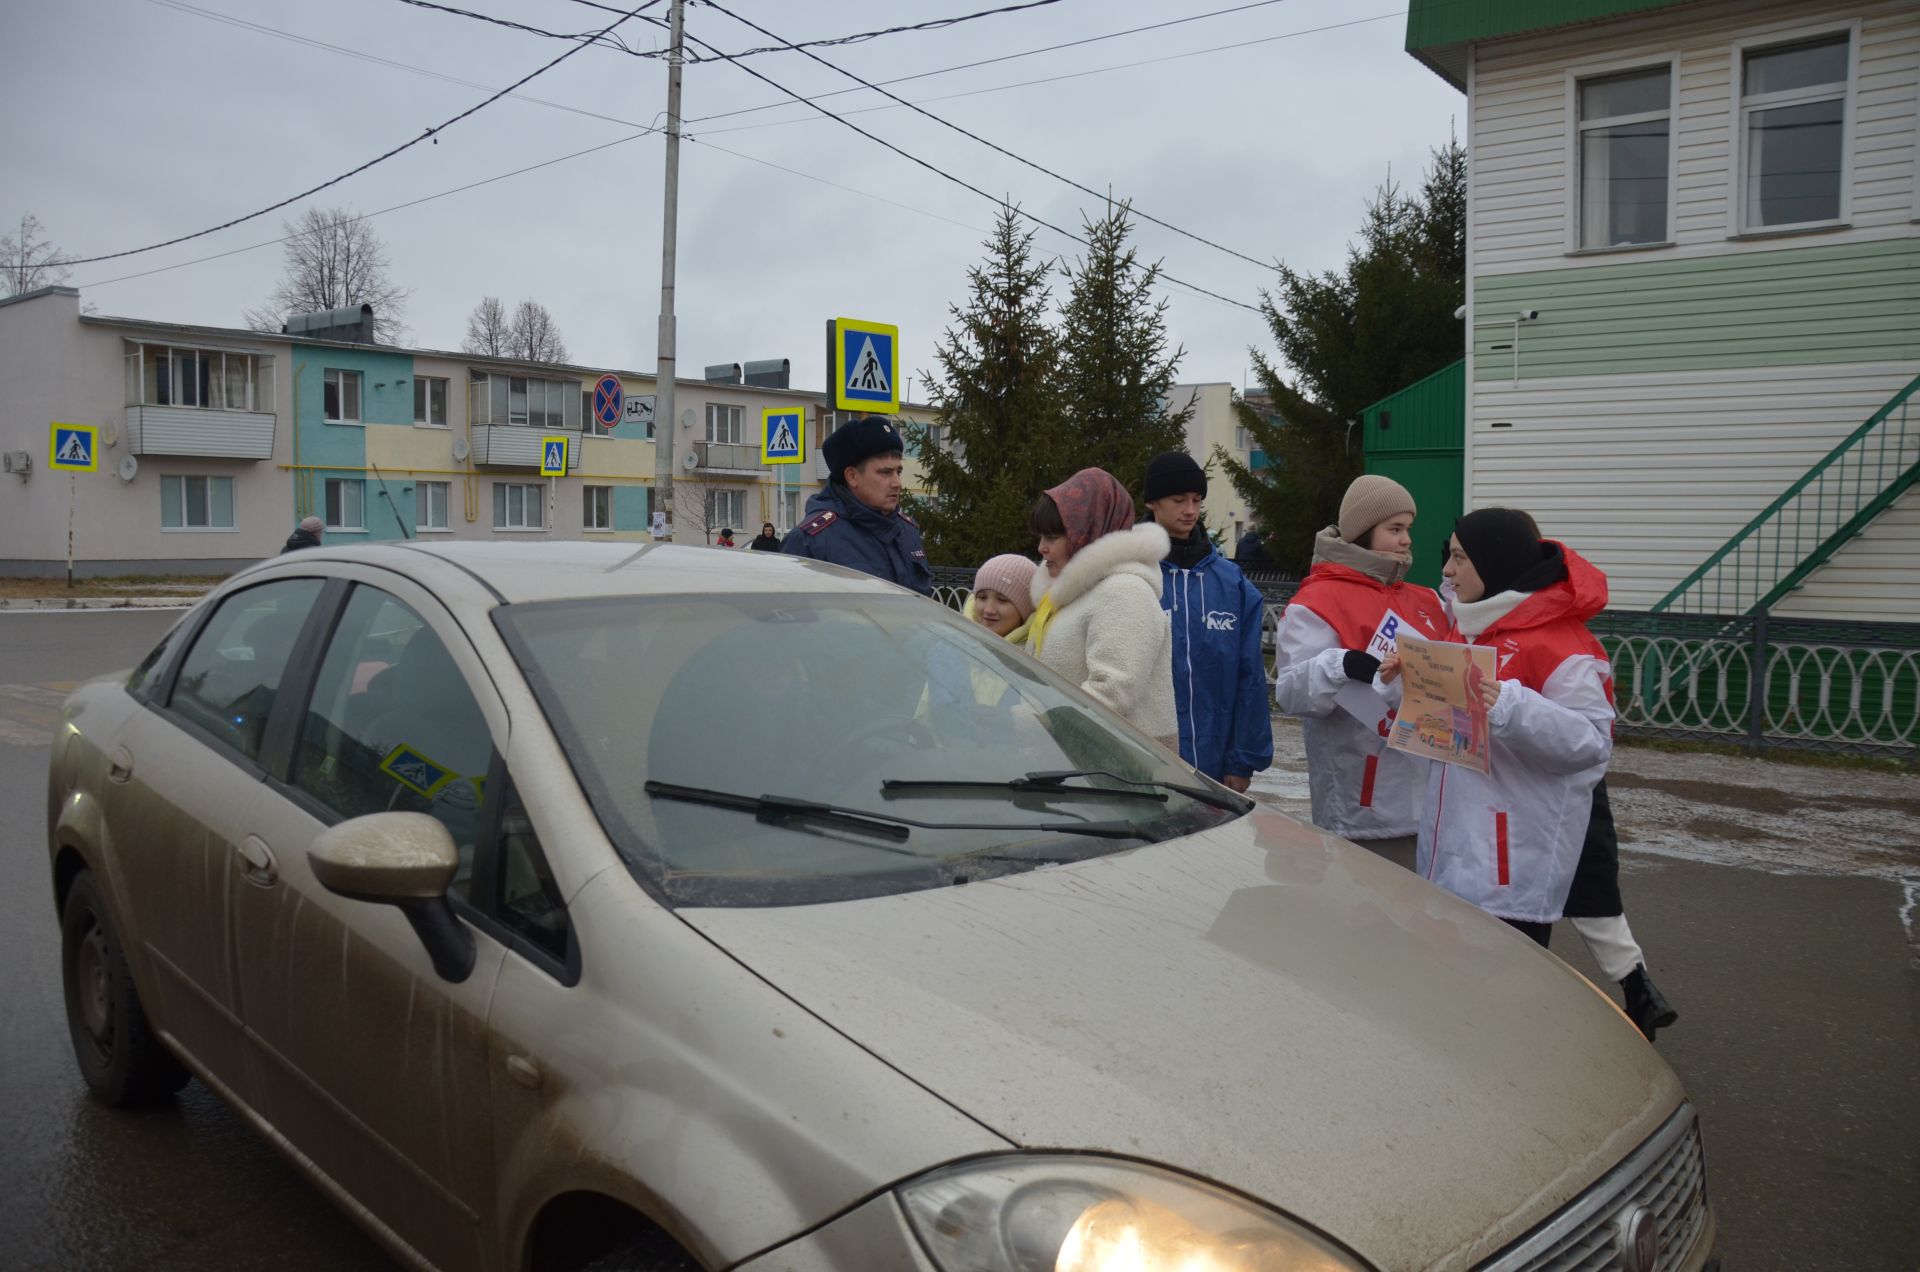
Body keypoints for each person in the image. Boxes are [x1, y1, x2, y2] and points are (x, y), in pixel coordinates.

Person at [1387, 508, 1614, 950]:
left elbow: (1591, 744)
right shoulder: (1469, 628)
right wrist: (1404, 685)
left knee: (1503, 1000)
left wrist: (1512, 705)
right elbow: (1449, 725)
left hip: (1509, 870)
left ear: (1494, 561)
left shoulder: (1561, 641)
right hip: (1451, 855)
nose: (1447, 571)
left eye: (1459, 558)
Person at [1500, 510, 1679, 1041]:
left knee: (1565, 886)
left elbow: (1584, 733)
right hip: (1566, 784)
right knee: (1592, 884)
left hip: (1549, 782)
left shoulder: (1545, 634)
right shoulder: (1532, 619)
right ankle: (1637, 987)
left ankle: (1627, 991)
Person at [1272, 476, 1448, 842]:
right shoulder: (1318, 602)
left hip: (1435, 807)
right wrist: (1337, 666)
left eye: (1408, 528)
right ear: (1363, 531)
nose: (1406, 540)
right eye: (1394, 529)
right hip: (1363, 811)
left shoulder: (1427, 599)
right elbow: (1291, 693)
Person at [1141, 451, 1272, 793]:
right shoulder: (1133, 575)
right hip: (1145, 763)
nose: (1189, 510)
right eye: (1179, 499)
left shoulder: (1232, 583)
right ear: (1153, 502)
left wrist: (1242, 760)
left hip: (1216, 768)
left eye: (1197, 500)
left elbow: (1251, 676)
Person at [1025, 468, 1178, 749]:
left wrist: (1033, 724)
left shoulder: (1125, 591)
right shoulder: (1072, 592)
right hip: (1079, 762)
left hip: (1122, 770)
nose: (1041, 548)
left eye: (1052, 537)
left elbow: (1113, 691)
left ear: (1087, 531)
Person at [781, 415, 932, 595]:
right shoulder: (811, 541)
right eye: (885, 472)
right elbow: (792, 616)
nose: (897, 482)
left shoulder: (907, 531)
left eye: (898, 471)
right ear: (852, 476)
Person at [965, 553, 1036, 642]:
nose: (988, 610)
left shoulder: (1037, 653)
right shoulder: (954, 641)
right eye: (982, 597)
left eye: (1002, 600)